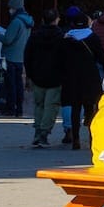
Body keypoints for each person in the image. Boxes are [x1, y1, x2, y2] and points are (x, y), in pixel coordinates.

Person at [59, 8, 104, 150]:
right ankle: (92, 139)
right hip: (90, 77)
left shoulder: (66, 39)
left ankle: (76, 139)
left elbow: (60, 59)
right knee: (90, 108)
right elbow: (101, 57)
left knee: (75, 108)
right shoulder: (93, 37)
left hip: (71, 77)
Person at [26, 10, 68, 148]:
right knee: (51, 105)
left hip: (37, 74)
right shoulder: (61, 37)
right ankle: (44, 132)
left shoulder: (35, 36)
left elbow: (28, 55)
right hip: (55, 76)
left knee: (39, 104)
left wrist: (29, 73)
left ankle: (38, 130)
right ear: (56, 19)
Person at [0, 0, 33, 118]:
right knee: (19, 84)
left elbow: (8, 40)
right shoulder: (27, 21)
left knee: (10, 85)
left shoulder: (16, 22)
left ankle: (10, 108)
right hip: (21, 56)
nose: (9, 10)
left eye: (11, 8)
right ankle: (19, 108)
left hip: (10, 56)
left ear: (14, 8)